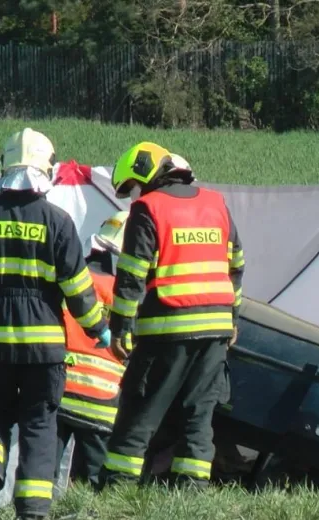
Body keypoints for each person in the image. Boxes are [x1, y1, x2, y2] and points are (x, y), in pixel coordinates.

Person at [0, 127, 110, 520]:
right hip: (43, 345)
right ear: (46, 170)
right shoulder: (58, 222)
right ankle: (33, 516)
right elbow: (78, 291)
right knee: (39, 424)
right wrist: (99, 328)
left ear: (6, 167)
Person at [97, 142, 244, 489]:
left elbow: (131, 276)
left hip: (166, 329)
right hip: (216, 330)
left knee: (139, 412)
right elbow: (236, 264)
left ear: (145, 176)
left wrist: (120, 329)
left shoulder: (148, 208)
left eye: (131, 188)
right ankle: (192, 494)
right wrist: (233, 318)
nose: (132, 197)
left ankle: (117, 490)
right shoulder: (216, 203)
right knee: (198, 416)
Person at [55, 212, 129, 489]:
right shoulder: (127, 293)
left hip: (60, 391)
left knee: (41, 471)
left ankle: (32, 511)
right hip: (103, 400)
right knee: (94, 483)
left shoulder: (71, 280)